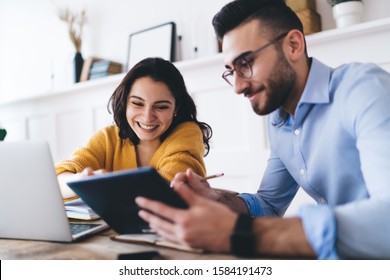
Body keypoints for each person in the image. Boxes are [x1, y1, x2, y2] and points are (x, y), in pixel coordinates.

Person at [135, 0, 390, 259]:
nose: (237, 86)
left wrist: (238, 231)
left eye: (245, 63)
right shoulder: (279, 121)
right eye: (231, 71)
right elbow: (269, 204)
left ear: (293, 45)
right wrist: (216, 199)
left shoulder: (363, 89)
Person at [56, 57, 212, 200]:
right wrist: (81, 180)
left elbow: (166, 189)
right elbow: (57, 180)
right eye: (137, 103)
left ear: (176, 108)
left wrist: (100, 187)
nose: (147, 117)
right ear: (125, 102)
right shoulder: (108, 138)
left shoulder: (187, 133)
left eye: (161, 107)